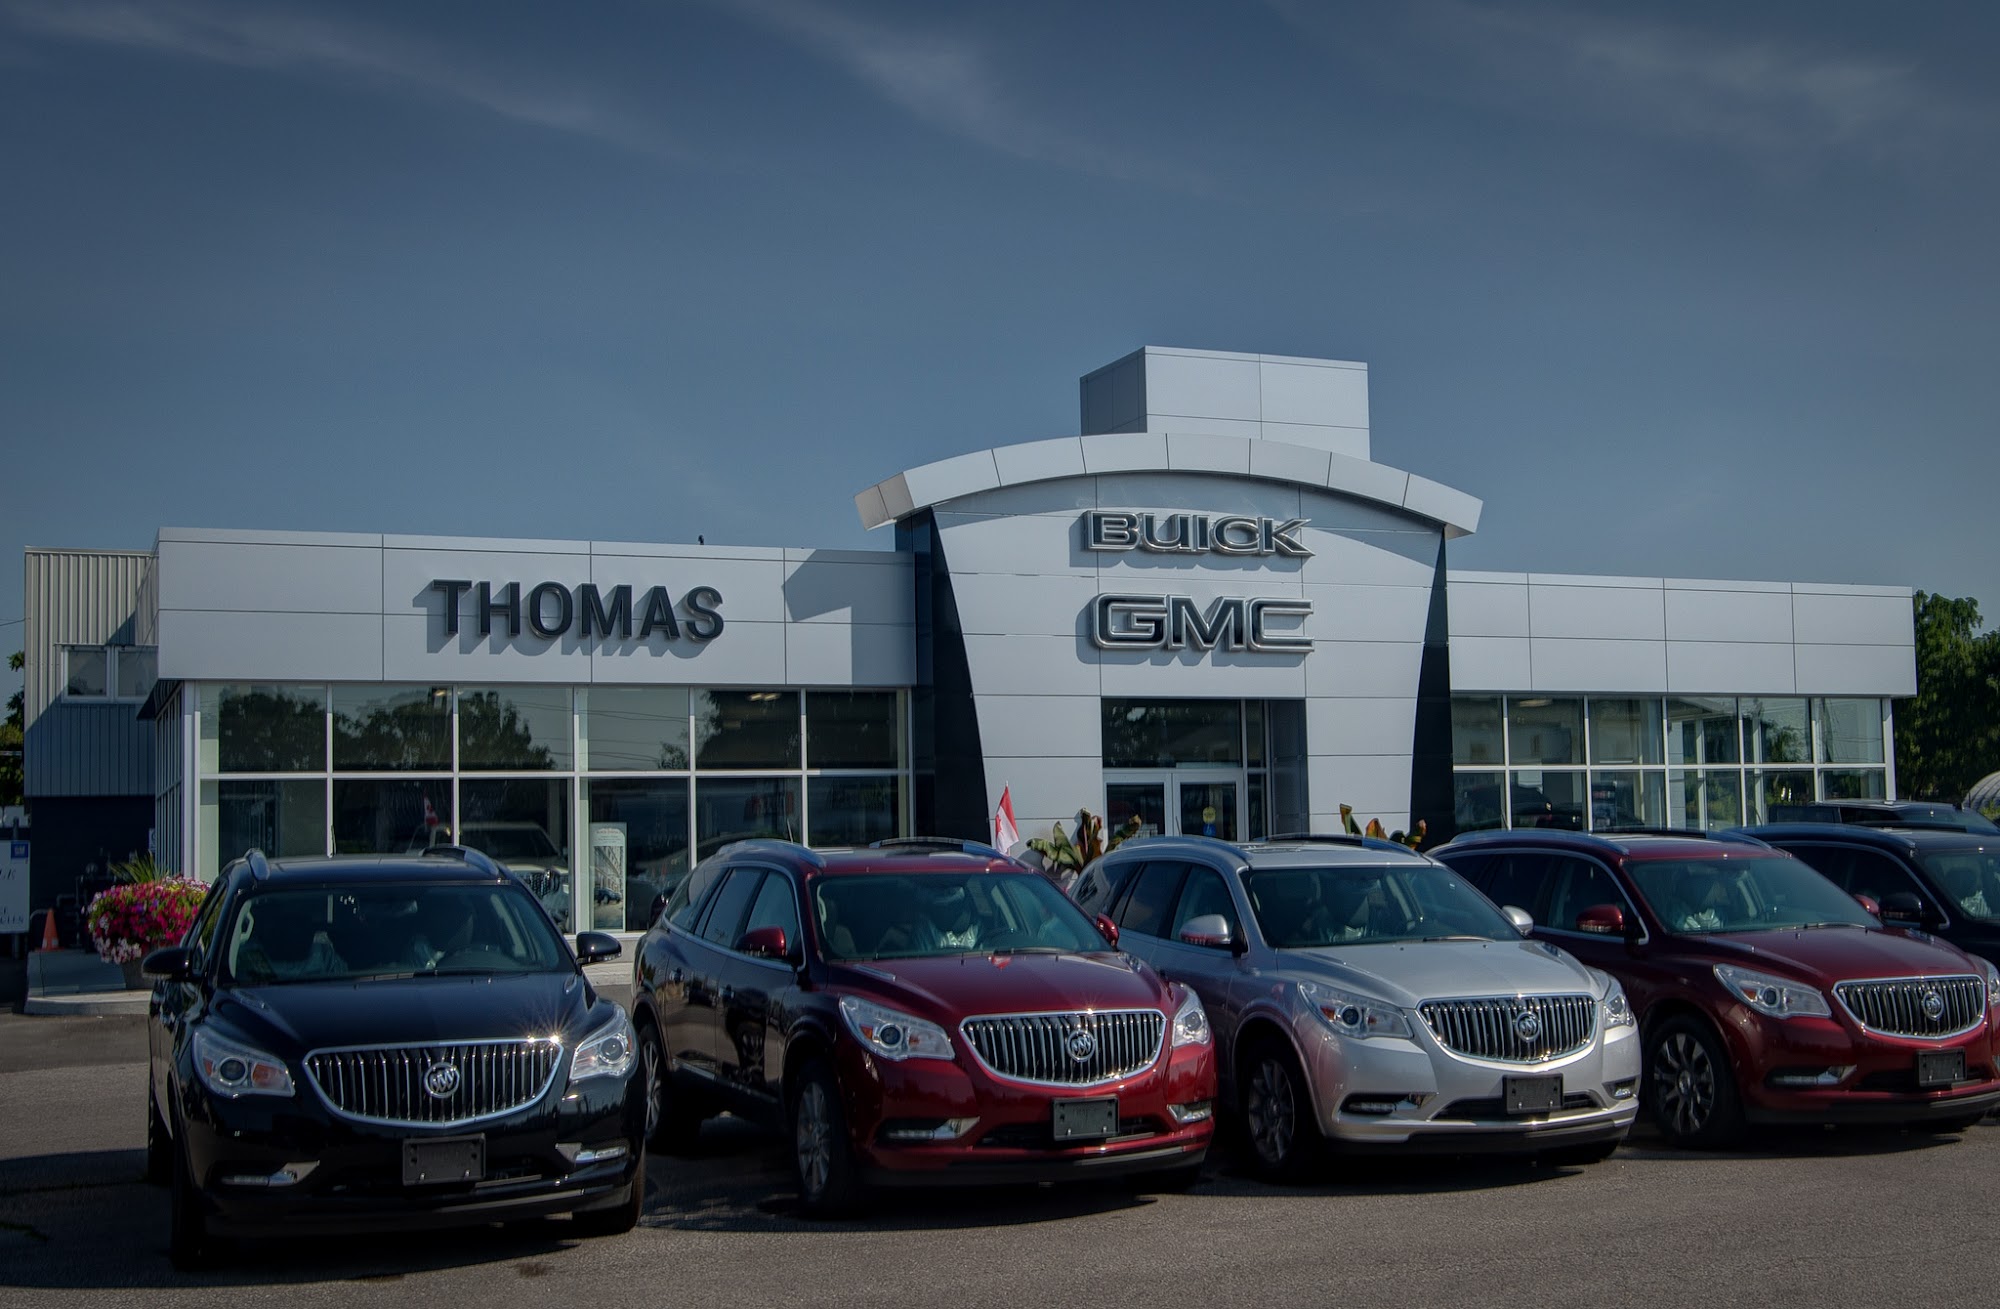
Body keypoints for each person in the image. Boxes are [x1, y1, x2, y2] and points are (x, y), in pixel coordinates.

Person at [238, 897, 347, 982]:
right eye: (284, 926)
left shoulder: (324, 954)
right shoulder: (324, 954)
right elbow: (343, 980)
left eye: (298, 926)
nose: (291, 931)